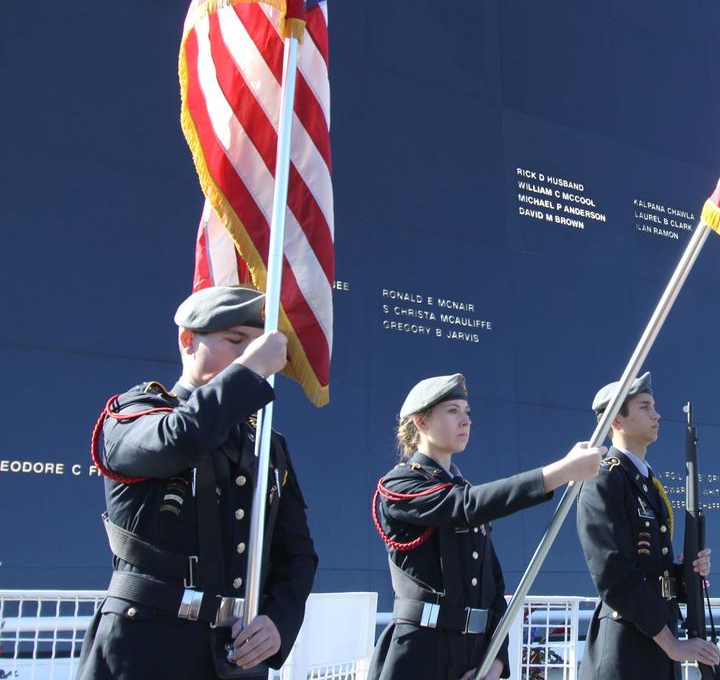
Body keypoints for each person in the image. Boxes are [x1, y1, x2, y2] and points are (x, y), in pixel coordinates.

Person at [78, 286, 318, 679]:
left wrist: (276, 620)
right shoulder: (136, 413)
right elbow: (182, 439)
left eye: (258, 346)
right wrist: (250, 372)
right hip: (146, 650)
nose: (248, 355)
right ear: (187, 340)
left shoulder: (266, 444)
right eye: (236, 341)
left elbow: (297, 553)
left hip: (232, 655)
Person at [368, 374, 604, 680]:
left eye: (467, 413)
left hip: (474, 656)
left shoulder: (462, 490)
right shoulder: (400, 484)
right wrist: (559, 473)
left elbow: (492, 589)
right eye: (453, 411)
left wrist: (497, 661)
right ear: (422, 423)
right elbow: (464, 506)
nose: (465, 421)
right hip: (419, 655)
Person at [575, 372, 720, 679]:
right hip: (625, 652)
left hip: (656, 648)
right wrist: (672, 645)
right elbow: (614, 575)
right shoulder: (605, 479)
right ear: (616, 420)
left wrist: (688, 574)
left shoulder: (645, 483)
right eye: (644, 406)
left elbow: (652, 571)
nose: (656, 414)